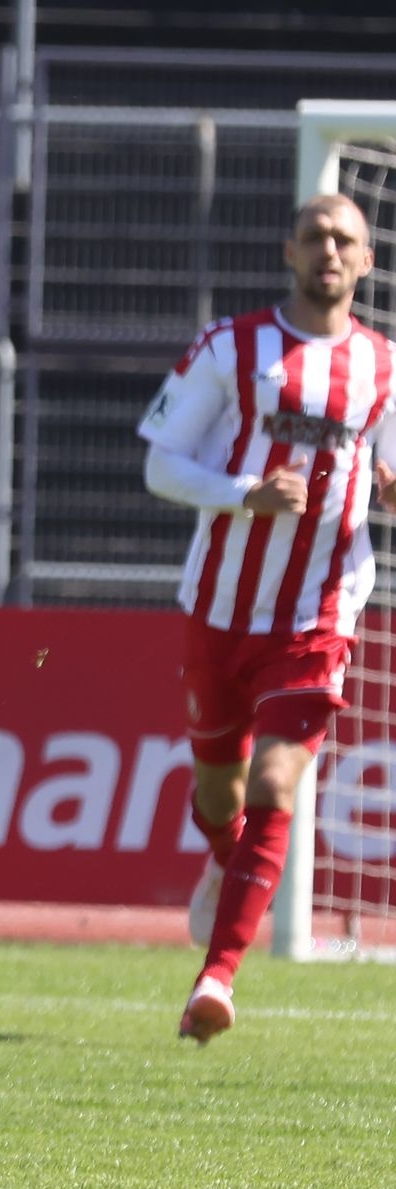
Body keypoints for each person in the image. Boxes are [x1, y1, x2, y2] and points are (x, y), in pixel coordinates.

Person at [140, 192, 396, 1045]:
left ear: (367, 261)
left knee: (279, 784)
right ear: (289, 251)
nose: (330, 250)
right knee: (222, 791)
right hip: (218, 606)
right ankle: (227, 859)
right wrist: (242, 494)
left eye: (346, 239)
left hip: (319, 611)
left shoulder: (385, 367)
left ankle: (217, 978)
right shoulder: (230, 346)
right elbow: (160, 467)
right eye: (315, 236)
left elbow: (391, 470)